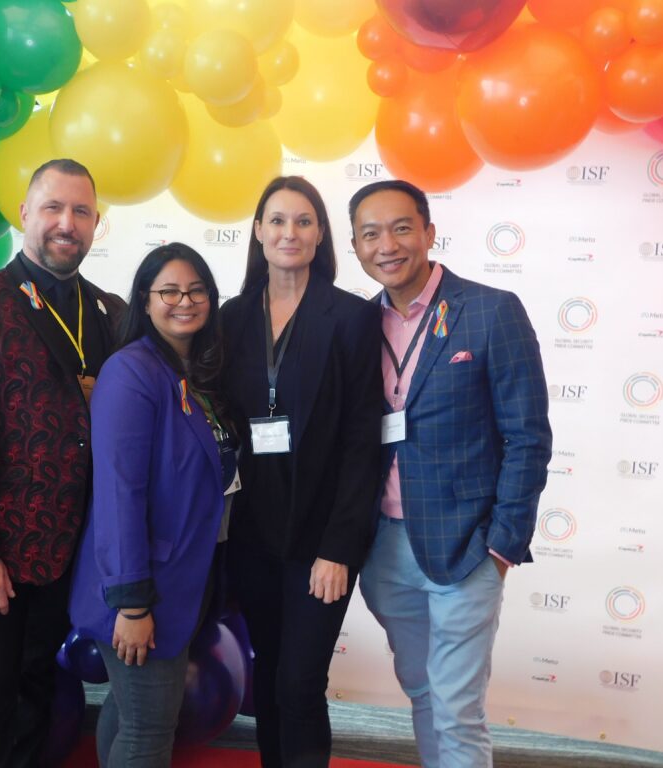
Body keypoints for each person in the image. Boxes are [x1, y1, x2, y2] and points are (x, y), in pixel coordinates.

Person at [0, 158, 125, 768]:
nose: (68, 223)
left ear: (95, 224)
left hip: (77, 554)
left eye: (82, 212)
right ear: (25, 215)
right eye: (55, 208)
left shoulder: (112, 312)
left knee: (39, 691)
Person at [349, 179, 552, 768]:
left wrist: (503, 545)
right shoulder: (356, 326)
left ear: (430, 233)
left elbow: (528, 437)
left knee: (458, 708)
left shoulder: (491, 311)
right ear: (358, 247)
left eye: (402, 228)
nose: (388, 245)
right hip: (384, 548)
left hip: (467, 547)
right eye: (371, 234)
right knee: (423, 693)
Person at [221, 176, 382, 767]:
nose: (290, 232)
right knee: (266, 678)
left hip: (320, 542)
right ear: (258, 231)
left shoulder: (350, 317)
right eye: (278, 220)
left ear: (320, 235)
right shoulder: (230, 317)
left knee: (299, 683)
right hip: (251, 536)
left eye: (304, 221)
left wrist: (340, 548)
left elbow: (365, 440)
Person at [69, 242, 237, 767]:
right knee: (148, 733)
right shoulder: (130, 371)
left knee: (129, 714)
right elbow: (119, 493)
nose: (183, 301)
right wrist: (132, 603)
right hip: (143, 589)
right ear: (144, 300)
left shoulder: (194, 373)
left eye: (196, 290)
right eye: (168, 290)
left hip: (183, 579)